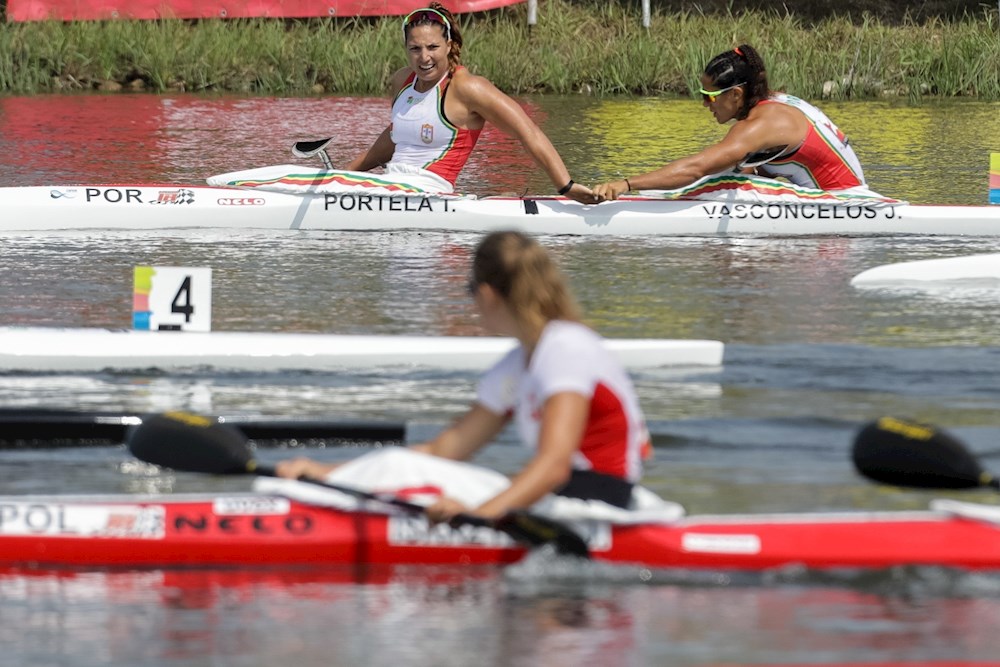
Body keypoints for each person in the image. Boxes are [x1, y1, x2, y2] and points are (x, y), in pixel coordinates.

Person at [275, 230, 651, 521]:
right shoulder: (517, 363)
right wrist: (325, 471)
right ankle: (322, 493)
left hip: (599, 501)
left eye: (470, 290)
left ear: (488, 294)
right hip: (563, 496)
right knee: (403, 463)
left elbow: (553, 466)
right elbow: (445, 450)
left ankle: (314, 507)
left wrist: (480, 513)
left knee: (402, 467)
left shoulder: (565, 347)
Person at [338, 4, 596, 204]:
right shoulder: (402, 81)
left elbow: (527, 131)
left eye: (433, 47)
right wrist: (340, 178)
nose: (424, 57)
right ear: (405, 48)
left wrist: (566, 186)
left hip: (430, 194)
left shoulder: (467, 88)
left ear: (449, 46)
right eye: (415, 48)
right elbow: (394, 139)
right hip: (390, 189)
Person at [592, 44, 873, 201]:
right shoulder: (776, 102)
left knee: (722, 182)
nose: (704, 104)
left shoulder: (758, 125)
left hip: (840, 204)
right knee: (736, 175)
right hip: (850, 197)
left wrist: (627, 184)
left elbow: (696, 168)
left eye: (709, 96)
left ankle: (640, 204)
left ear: (736, 94)